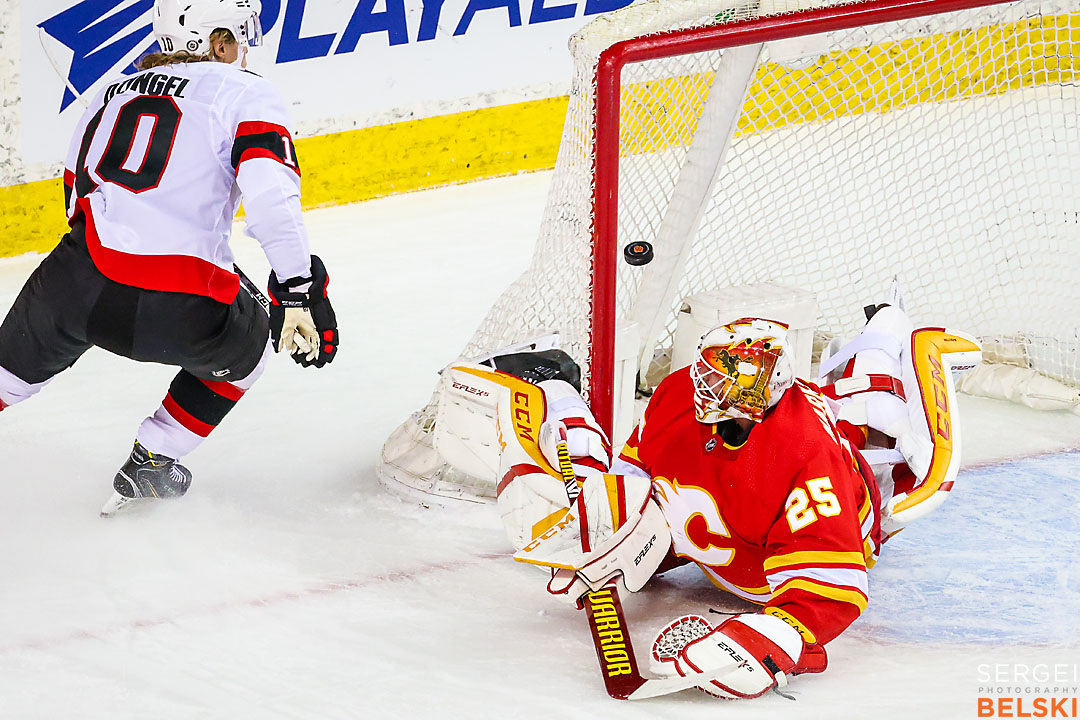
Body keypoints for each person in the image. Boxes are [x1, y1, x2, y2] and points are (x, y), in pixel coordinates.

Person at [491, 307, 979, 699]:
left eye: (734, 385)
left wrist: (772, 640)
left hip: (772, 564)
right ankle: (553, 386)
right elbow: (638, 469)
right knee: (565, 513)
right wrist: (606, 521)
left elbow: (834, 588)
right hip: (708, 533)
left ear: (767, 391)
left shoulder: (807, 457)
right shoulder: (678, 391)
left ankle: (883, 332)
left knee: (878, 413)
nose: (715, 393)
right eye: (713, 377)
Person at [0, 0, 338, 516]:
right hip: (180, 309)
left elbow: (73, 196)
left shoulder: (106, 92)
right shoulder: (245, 91)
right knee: (257, 339)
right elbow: (270, 199)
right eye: (240, 39)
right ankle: (155, 460)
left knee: (6, 376)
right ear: (220, 42)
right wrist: (297, 289)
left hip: (76, 284)